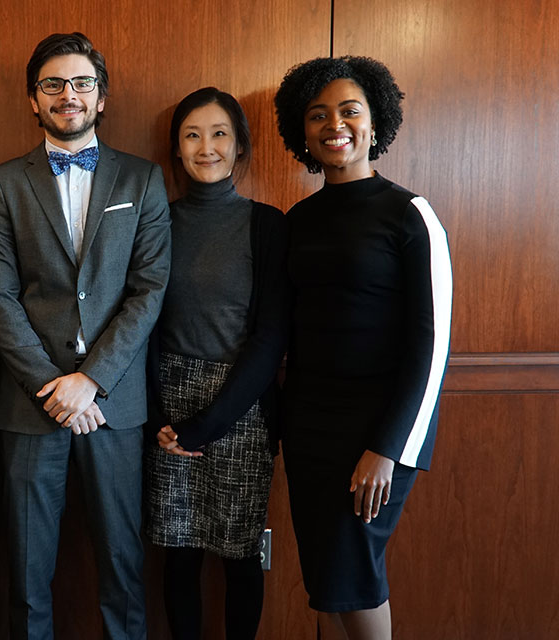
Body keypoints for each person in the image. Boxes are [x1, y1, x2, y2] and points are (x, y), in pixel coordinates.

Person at [0, 32, 171, 640]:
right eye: (53, 84)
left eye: (82, 82)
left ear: (102, 97)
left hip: (114, 405)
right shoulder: (4, 183)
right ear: (34, 100)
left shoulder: (142, 180)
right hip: (32, 407)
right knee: (28, 575)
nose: (69, 94)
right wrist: (52, 386)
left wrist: (90, 381)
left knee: (122, 565)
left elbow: (149, 289)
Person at [273, 56, 453, 640]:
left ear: (375, 122)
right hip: (310, 429)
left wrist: (388, 448)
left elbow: (433, 345)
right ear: (302, 132)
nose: (335, 124)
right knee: (330, 576)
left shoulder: (410, 214)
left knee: (356, 569)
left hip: (378, 432)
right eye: (318, 114)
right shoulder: (297, 221)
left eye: (350, 110)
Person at [143, 87, 291, 640]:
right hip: (166, 403)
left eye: (220, 133)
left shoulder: (267, 224)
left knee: (239, 553)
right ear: (177, 150)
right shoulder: (156, 219)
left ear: (240, 146)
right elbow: (145, 323)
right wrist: (161, 417)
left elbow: (271, 335)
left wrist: (210, 422)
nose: (207, 147)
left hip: (242, 405)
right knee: (177, 552)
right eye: (192, 135)